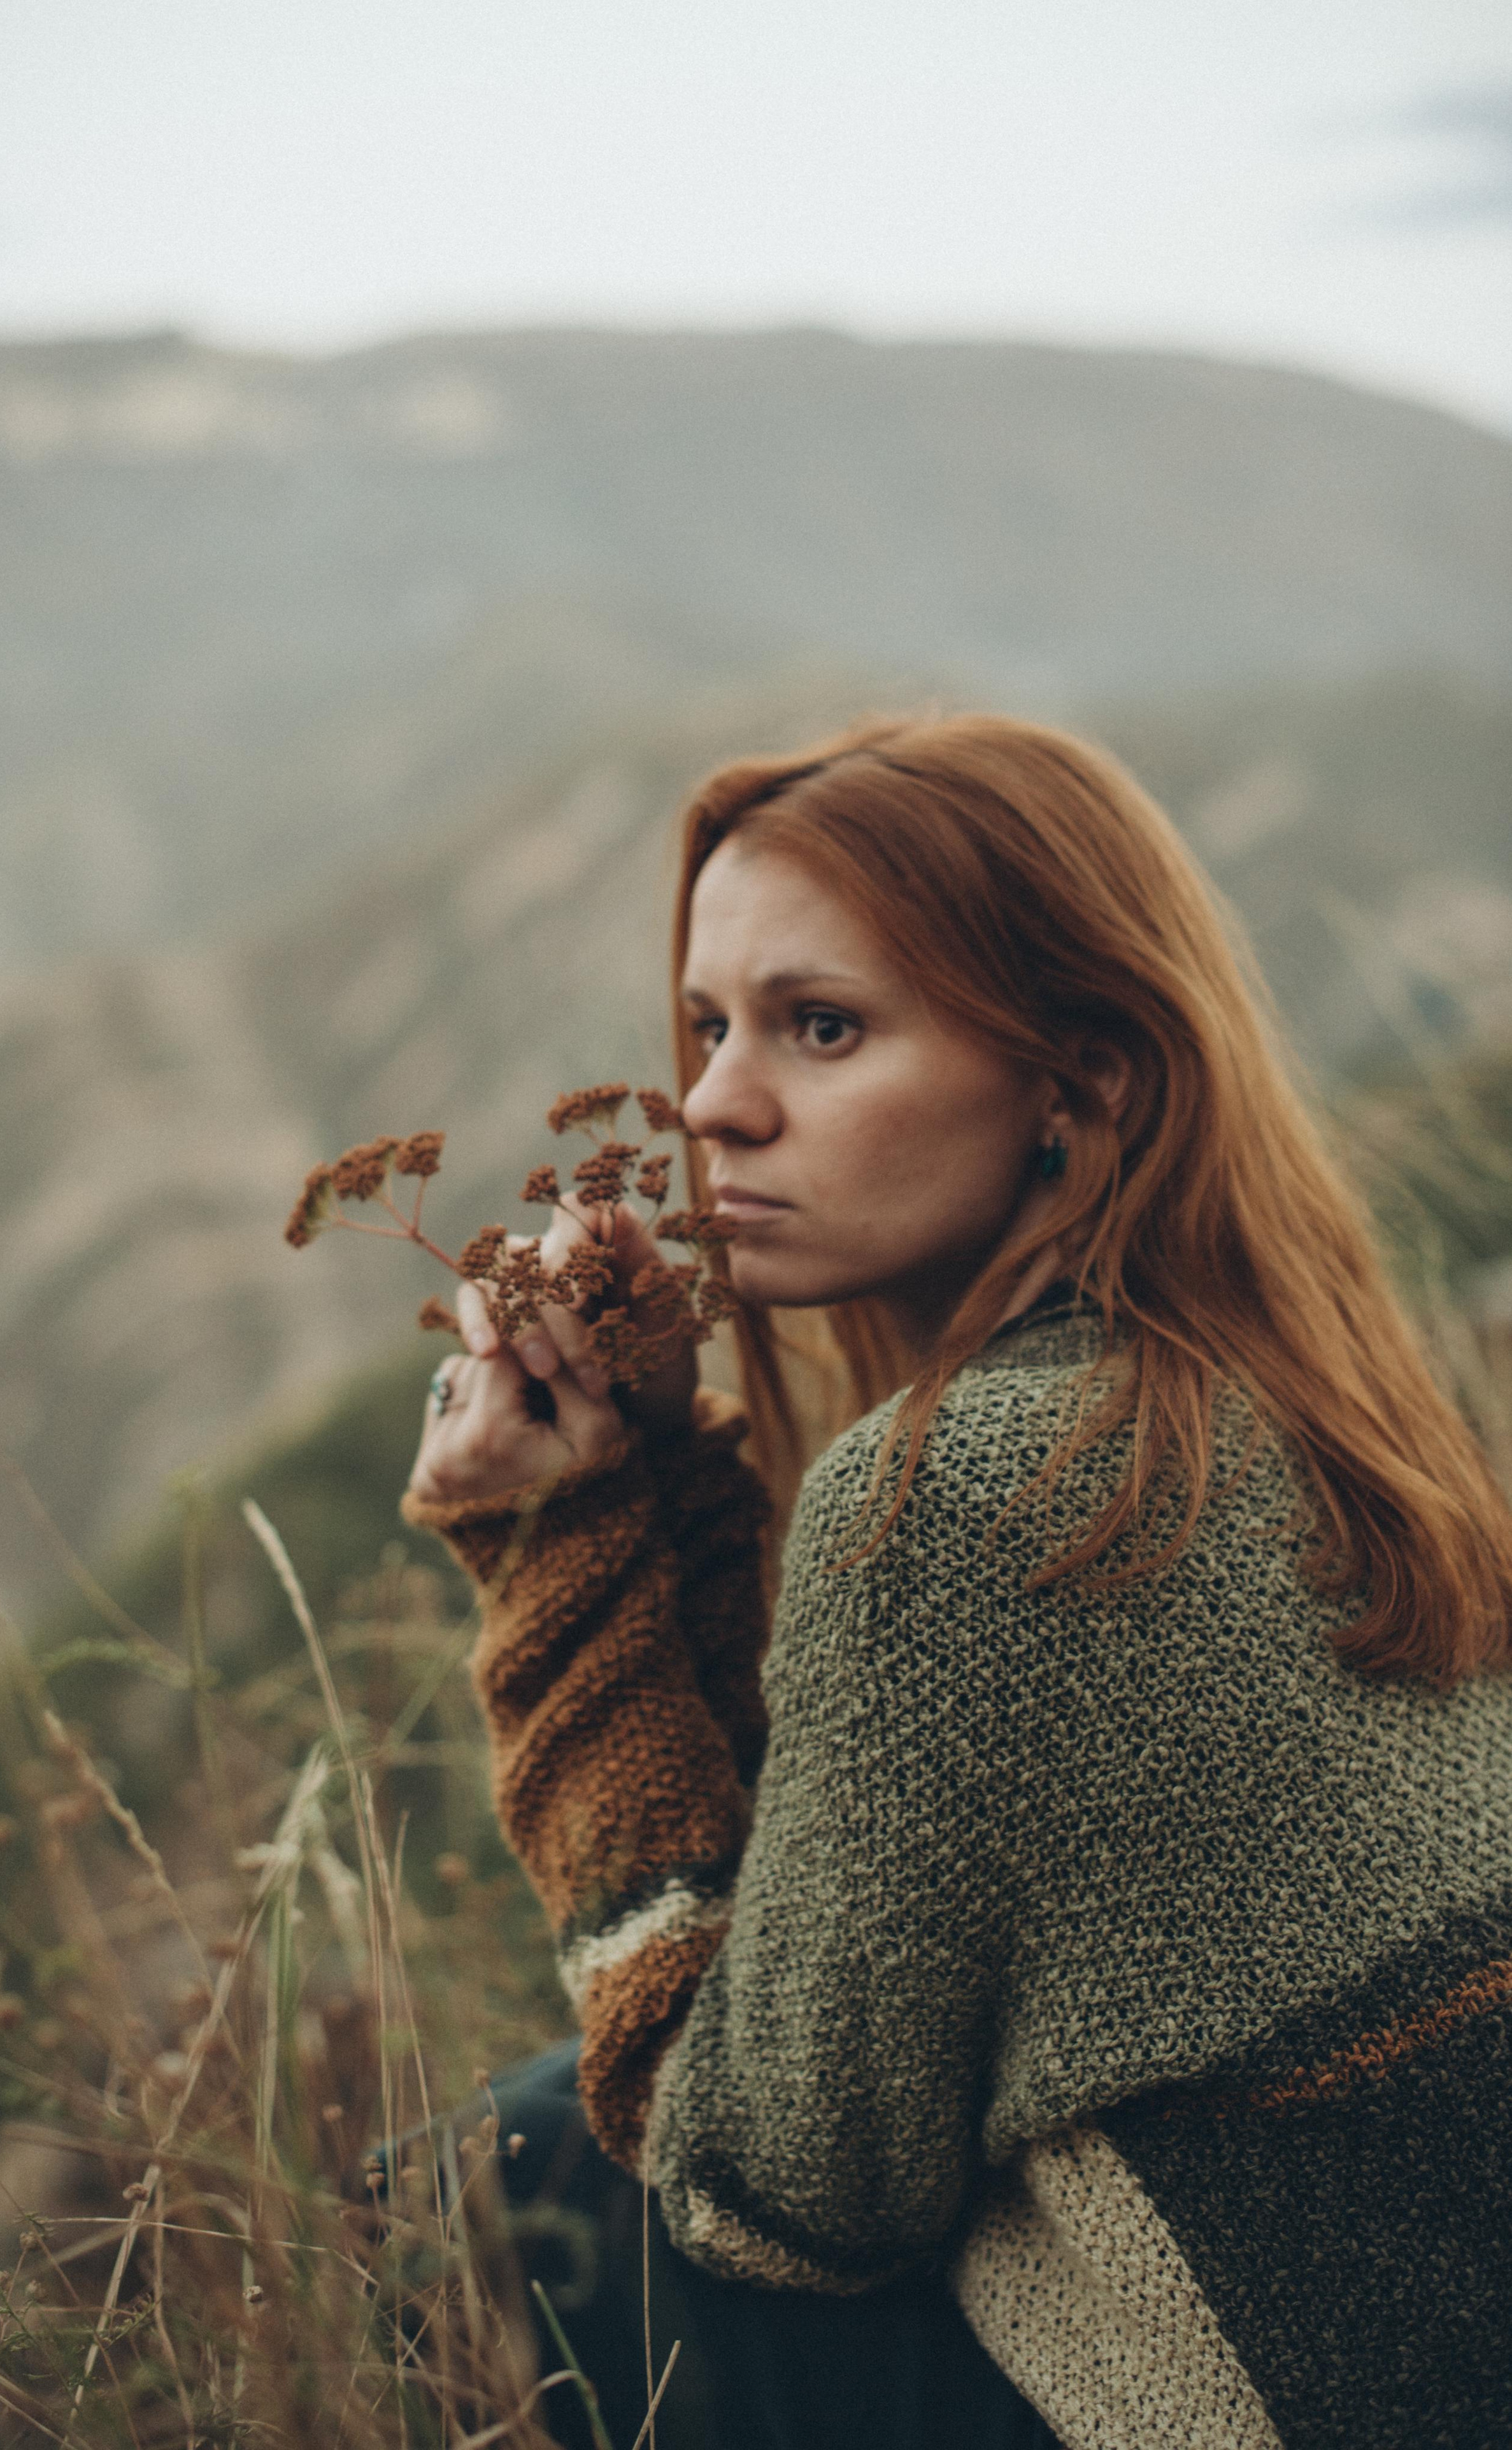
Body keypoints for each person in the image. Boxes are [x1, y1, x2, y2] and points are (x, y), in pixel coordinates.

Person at [403, 715, 1512, 2449]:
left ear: (1083, 1081)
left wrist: (563, 1560)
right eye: (708, 1027)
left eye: (820, 1028)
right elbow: (845, 1929)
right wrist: (669, 1483)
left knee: (504, 2182)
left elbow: (771, 2193)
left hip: (1246, 2399)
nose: (711, 1103)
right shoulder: (1302, 1396)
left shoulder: (976, 1495)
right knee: (542, 2119)